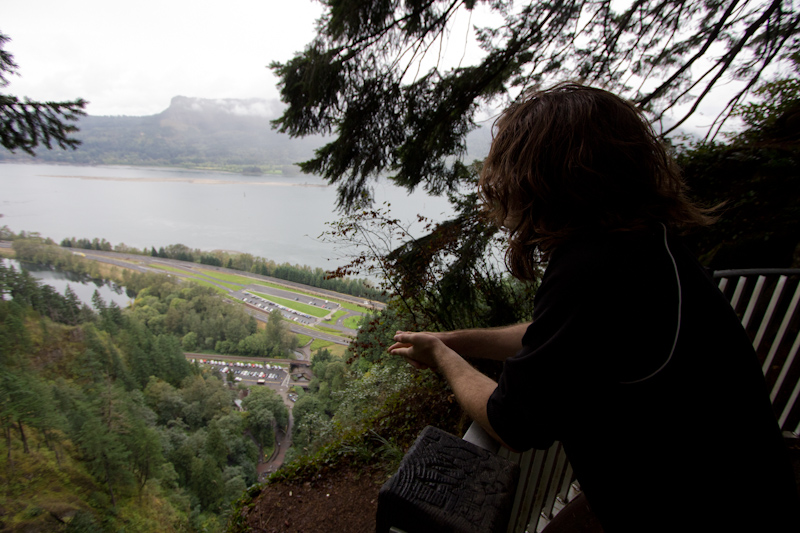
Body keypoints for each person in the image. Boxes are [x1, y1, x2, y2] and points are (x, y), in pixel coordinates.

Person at [388, 83, 799, 531]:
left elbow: (513, 422)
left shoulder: (593, 264)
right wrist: (455, 340)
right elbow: (556, 338)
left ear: (541, 178)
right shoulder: (644, 243)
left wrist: (443, 357)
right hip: (751, 494)